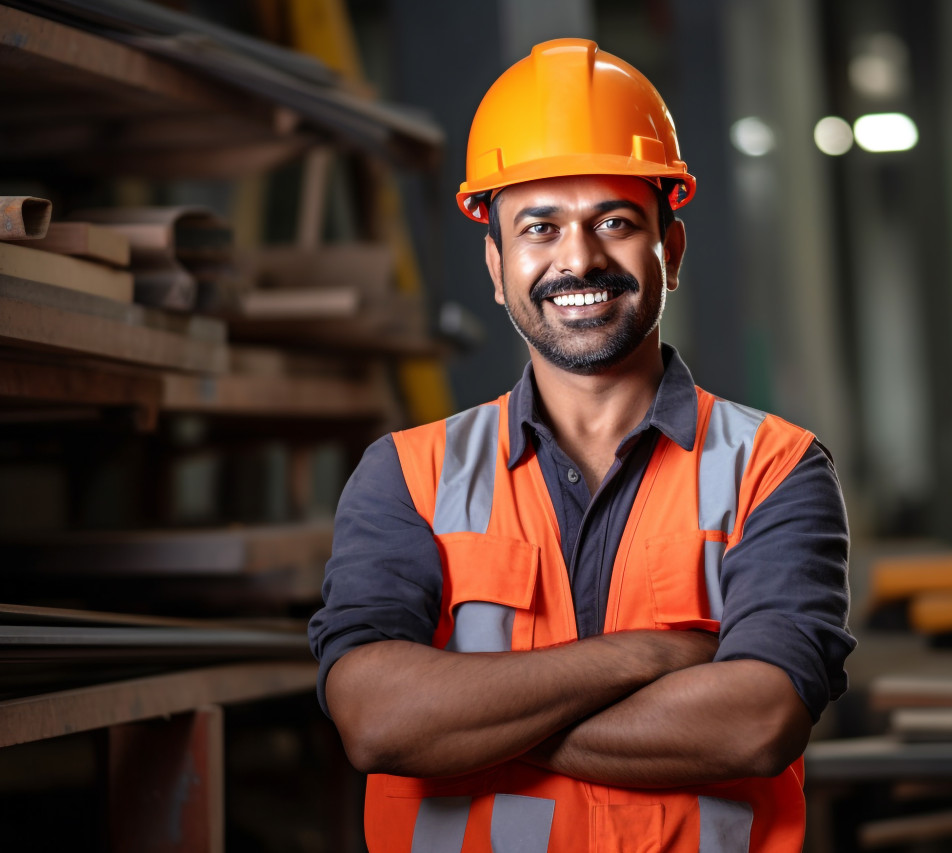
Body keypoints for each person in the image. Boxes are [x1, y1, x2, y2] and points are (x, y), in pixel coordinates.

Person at [309, 38, 856, 853]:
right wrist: (649, 655)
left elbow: (756, 721)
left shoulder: (774, 469)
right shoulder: (407, 477)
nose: (579, 257)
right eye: (540, 226)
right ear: (496, 266)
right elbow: (377, 720)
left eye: (615, 221)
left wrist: (465, 727)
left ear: (669, 250)